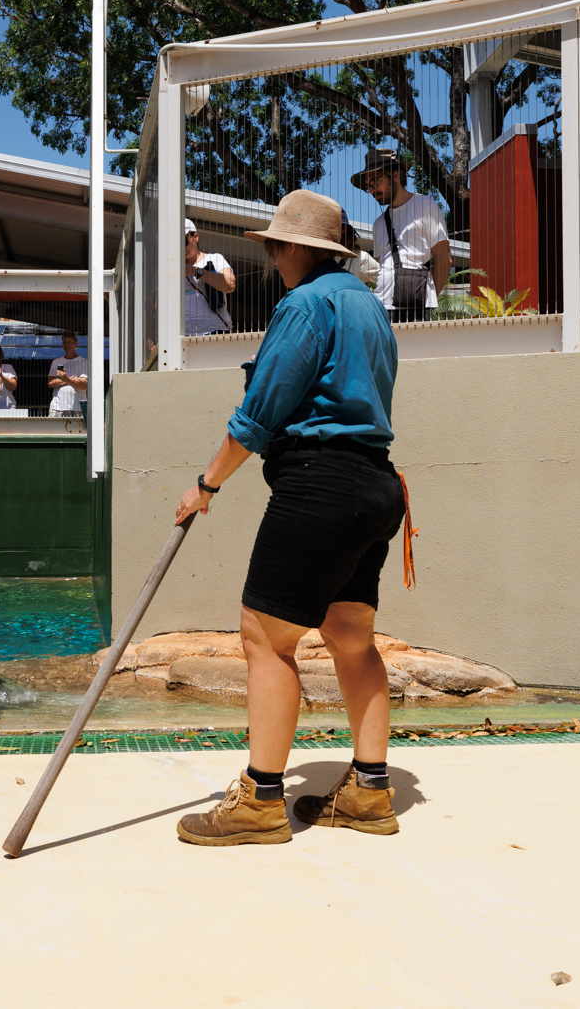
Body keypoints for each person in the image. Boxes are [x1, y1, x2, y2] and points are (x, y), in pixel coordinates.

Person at [171, 189, 407, 847]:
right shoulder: (370, 308)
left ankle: (260, 800)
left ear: (298, 248)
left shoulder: (304, 305)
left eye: (276, 245)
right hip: (376, 486)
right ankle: (369, 789)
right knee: (350, 636)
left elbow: (260, 412)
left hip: (320, 482)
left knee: (265, 635)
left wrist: (205, 484)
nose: (273, 257)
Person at [350, 147, 449, 323]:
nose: (372, 191)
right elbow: (383, 267)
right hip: (381, 308)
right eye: (368, 186)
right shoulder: (379, 223)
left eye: (375, 182)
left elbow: (444, 260)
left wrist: (427, 297)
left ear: (395, 176)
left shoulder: (425, 207)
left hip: (415, 307)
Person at [183, 218, 237, 335]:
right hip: (182, 336)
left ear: (196, 237)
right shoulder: (171, 269)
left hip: (215, 331)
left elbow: (230, 284)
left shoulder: (214, 258)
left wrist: (195, 272)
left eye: (184, 241)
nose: (182, 247)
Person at [47, 329, 89, 418]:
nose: (67, 345)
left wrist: (66, 379)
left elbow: (84, 384)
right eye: (65, 342)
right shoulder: (56, 362)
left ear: (76, 344)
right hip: (57, 408)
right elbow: (50, 383)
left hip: (78, 408)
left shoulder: (84, 362)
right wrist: (71, 380)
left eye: (70, 342)